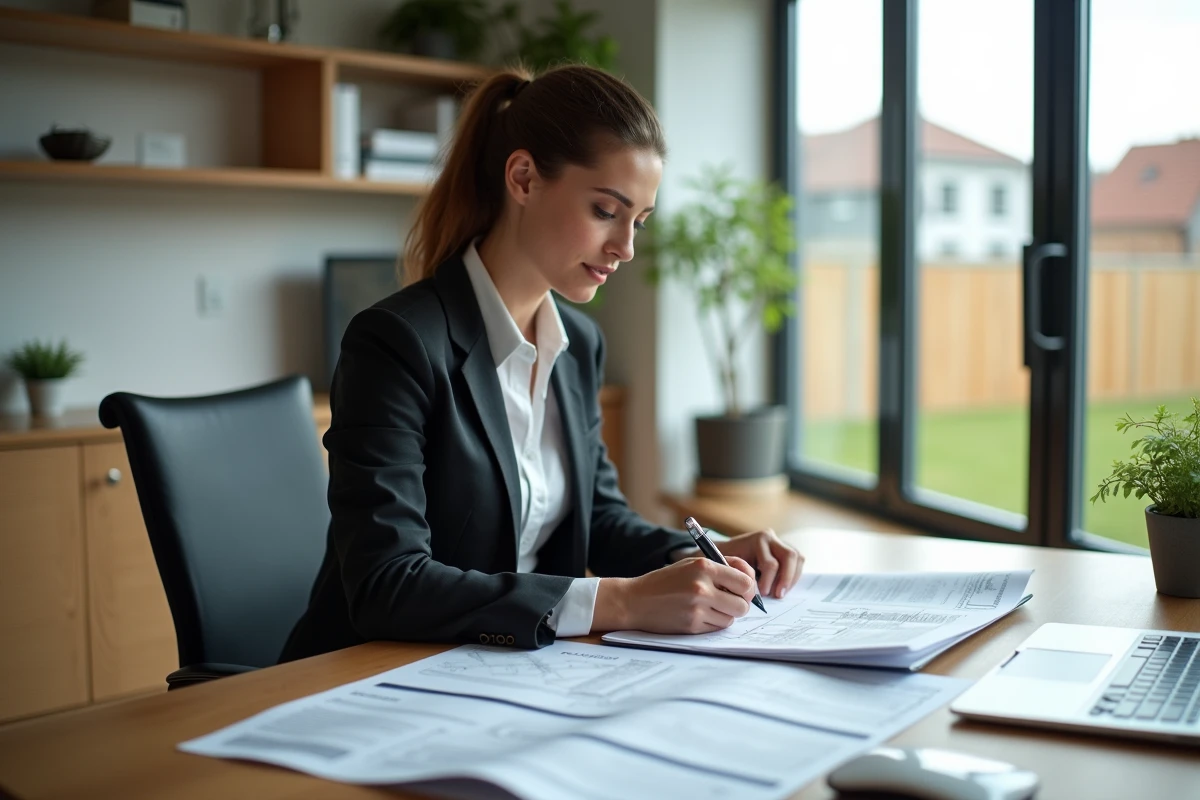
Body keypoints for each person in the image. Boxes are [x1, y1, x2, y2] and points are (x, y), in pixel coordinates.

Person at [280, 64, 803, 662]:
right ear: (524, 178)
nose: (625, 248)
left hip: (510, 673)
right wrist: (621, 603)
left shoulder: (577, 345)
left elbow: (599, 521)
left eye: (638, 221)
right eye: (606, 210)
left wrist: (709, 552)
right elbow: (387, 585)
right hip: (363, 677)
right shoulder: (395, 343)